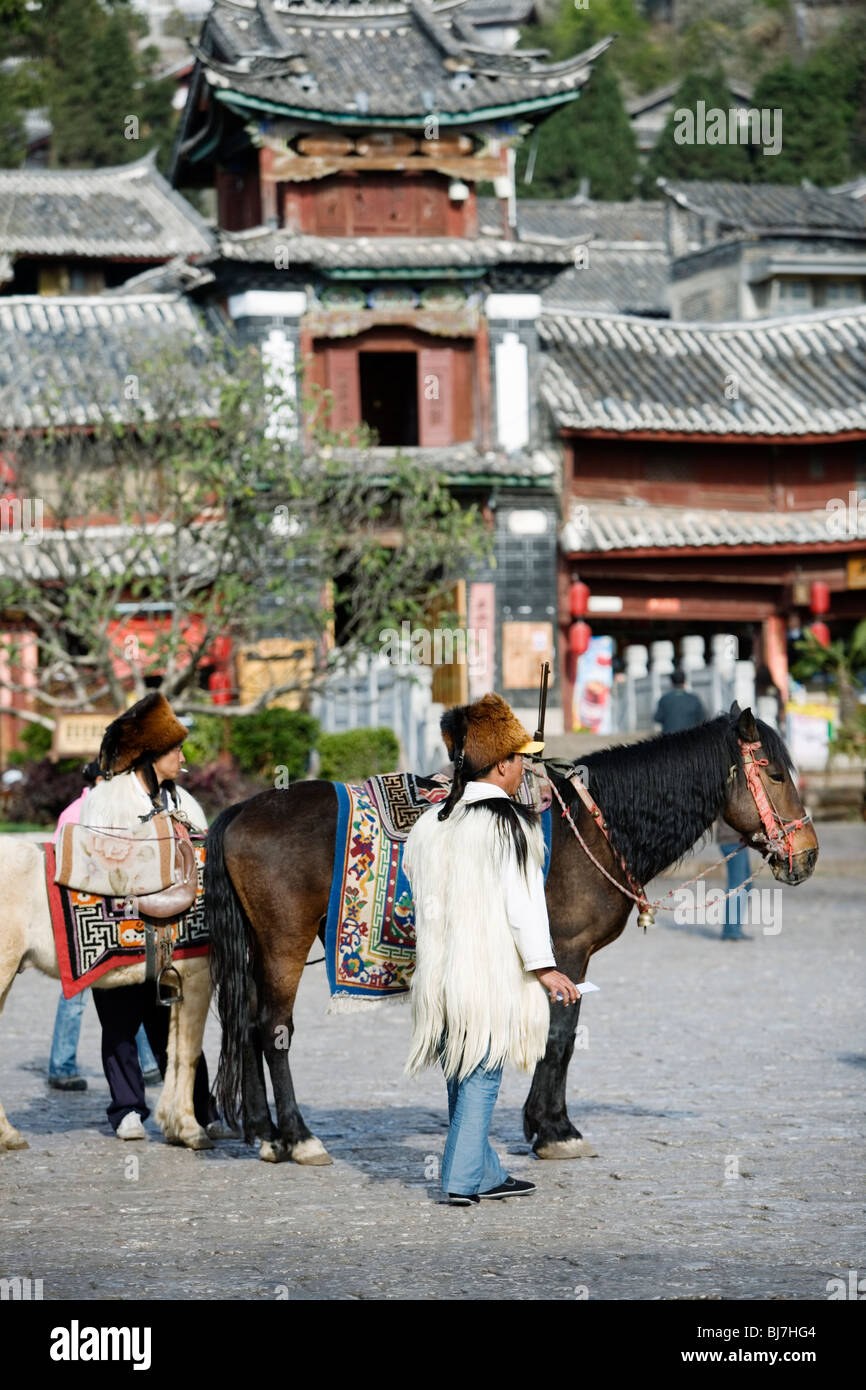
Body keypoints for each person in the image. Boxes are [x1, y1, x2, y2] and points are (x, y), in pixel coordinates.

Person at [403, 692, 579, 1206]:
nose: (526, 766)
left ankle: (485, 1173)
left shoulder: (432, 822)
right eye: (521, 759)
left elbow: (416, 883)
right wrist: (545, 969)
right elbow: (524, 905)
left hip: (439, 968)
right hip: (486, 970)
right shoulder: (512, 824)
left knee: (461, 1063)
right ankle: (459, 1179)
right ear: (502, 766)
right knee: (483, 1070)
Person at [85, 692, 211, 1140]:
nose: (182, 756)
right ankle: (126, 1109)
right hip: (122, 928)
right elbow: (95, 857)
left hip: (172, 933)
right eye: (175, 749)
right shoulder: (107, 799)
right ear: (152, 756)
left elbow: (203, 847)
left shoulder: (182, 798)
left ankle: (197, 1106)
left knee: (175, 1018)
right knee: (119, 1022)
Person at [48, 761, 161, 1090]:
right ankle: (62, 1064)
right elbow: (62, 862)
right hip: (84, 912)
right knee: (79, 993)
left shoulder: (107, 808)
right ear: (100, 779)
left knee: (125, 988)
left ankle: (149, 1062)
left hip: (110, 911)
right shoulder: (79, 812)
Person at [653, 667, 706, 734]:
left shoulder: (664, 699)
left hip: (669, 738)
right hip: (689, 738)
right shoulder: (694, 698)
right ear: (685, 682)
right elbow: (702, 718)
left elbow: (657, 718)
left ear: (672, 682)